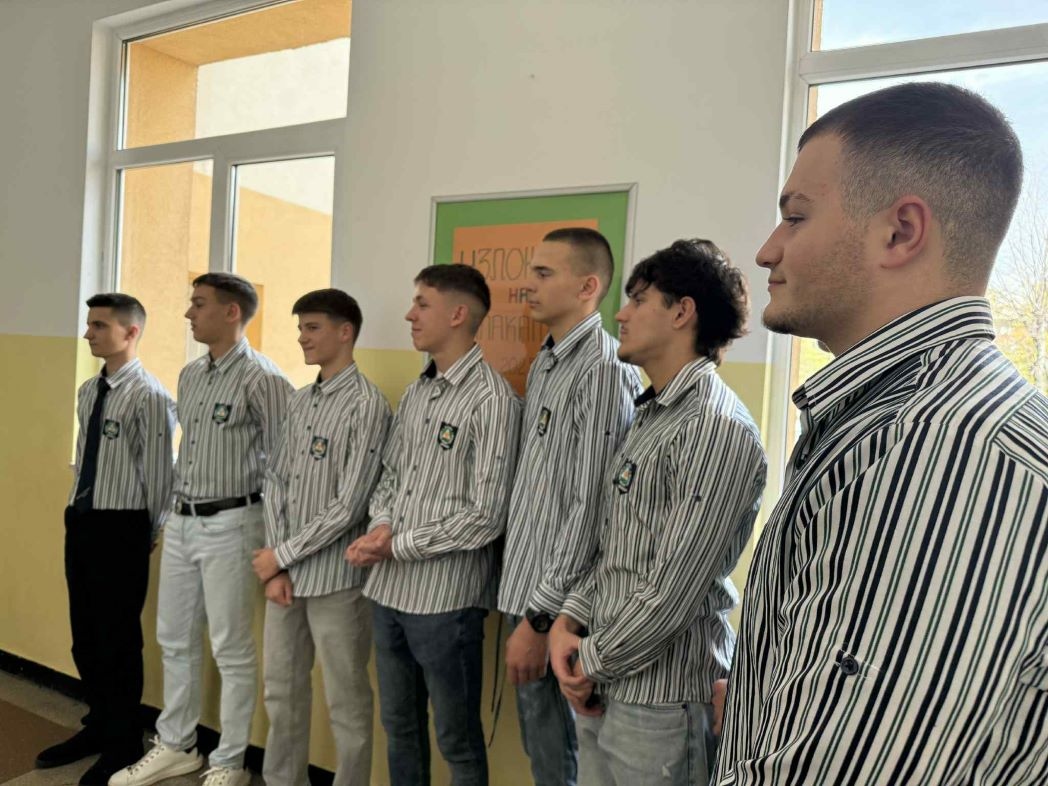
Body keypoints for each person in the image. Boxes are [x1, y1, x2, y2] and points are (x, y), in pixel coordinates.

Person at [713, 82, 1048, 785]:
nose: (768, 250)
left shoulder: (942, 450)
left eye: (795, 218)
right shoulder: (899, 421)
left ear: (900, 231)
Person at [549, 239, 767, 786]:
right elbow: (615, 549)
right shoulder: (653, 415)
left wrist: (589, 660)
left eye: (639, 300)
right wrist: (568, 621)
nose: (620, 315)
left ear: (681, 311)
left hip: (662, 704)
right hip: (607, 682)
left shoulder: (715, 428)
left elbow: (672, 590)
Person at [111, 273, 292, 786]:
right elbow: (184, 454)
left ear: (232, 312)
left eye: (198, 304)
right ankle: (177, 745)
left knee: (231, 649)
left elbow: (285, 468)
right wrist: (168, 516)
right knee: (173, 638)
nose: (188, 313)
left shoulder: (264, 379)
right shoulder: (190, 375)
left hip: (234, 523)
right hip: (183, 522)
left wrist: (280, 548)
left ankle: (229, 761)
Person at [346, 264, 522, 786]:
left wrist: (397, 545)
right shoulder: (418, 392)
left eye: (422, 304)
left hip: (446, 603)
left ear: (458, 314)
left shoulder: (493, 401)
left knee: (457, 739)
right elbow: (390, 476)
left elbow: (486, 516)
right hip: (388, 592)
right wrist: (382, 525)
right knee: (399, 727)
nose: (409, 315)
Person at [497, 228, 641, 786]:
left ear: (587, 287)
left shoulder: (603, 369)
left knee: (566, 759)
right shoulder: (547, 361)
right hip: (528, 591)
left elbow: (591, 509)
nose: (527, 285)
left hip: (561, 612)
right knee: (543, 750)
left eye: (543, 273)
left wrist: (541, 618)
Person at [35, 294, 175, 786]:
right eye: (88, 324)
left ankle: (123, 742)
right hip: (83, 519)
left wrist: (150, 530)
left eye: (98, 326)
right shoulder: (89, 390)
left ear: (130, 332)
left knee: (118, 638)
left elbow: (160, 475)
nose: (88, 334)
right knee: (86, 635)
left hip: (123, 526)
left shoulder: (150, 397)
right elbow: (85, 457)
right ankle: (98, 723)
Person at [252, 289, 390, 786]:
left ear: (344, 332)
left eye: (312, 328)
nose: (302, 338)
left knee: (346, 703)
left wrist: (279, 555)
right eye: (301, 328)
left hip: (338, 582)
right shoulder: (299, 400)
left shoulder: (368, 406)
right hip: (286, 579)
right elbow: (275, 482)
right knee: (281, 692)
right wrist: (278, 566)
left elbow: (350, 506)